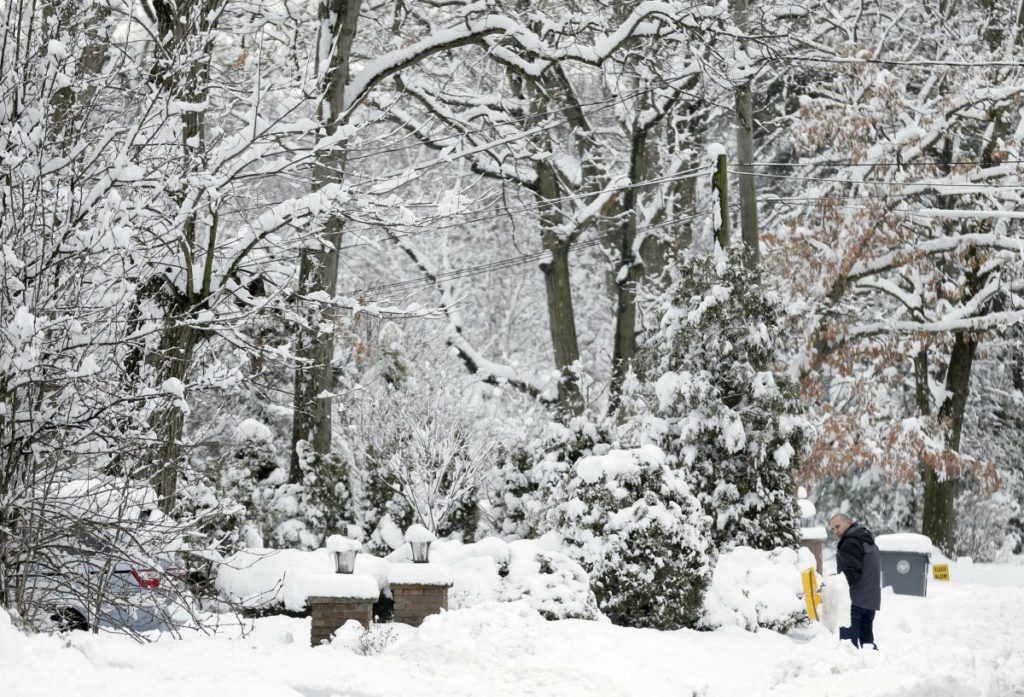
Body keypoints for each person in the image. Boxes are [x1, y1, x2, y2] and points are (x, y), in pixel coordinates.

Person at [828, 512, 881, 649]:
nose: (836, 531)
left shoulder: (850, 541)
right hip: (870, 600)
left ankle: (850, 669)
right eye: (833, 529)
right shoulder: (865, 538)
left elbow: (852, 575)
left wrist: (835, 580)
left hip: (854, 601)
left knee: (848, 647)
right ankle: (873, 667)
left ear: (849, 522)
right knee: (867, 643)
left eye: (838, 526)